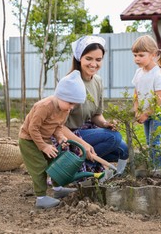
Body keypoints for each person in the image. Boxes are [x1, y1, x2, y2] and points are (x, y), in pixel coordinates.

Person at [60, 35, 129, 174]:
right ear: (79, 58)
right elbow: (58, 126)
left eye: (98, 60)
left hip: (85, 130)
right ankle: (72, 165)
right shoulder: (70, 82)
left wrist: (105, 124)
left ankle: (84, 163)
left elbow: (96, 115)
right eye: (89, 59)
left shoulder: (97, 81)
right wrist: (83, 144)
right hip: (66, 135)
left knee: (124, 151)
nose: (94, 64)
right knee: (113, 138)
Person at [18, 70, 86, 209]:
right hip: (29, 140)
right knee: (40, 168)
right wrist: (43, 147)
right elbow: (33, 129)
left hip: (45, 139)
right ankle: (41, 198)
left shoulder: (65, 110)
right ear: (60, 95)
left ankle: (58, 189)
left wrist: (60, 137)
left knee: (54, 162)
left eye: (74, 105)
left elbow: (58, 126)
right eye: (70, 103)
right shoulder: (44, 106)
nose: (71, 108)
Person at [131, 35, 161, 169]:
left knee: (155, 142)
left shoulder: (158, 74)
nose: (137, 58)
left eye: (141, 55)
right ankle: (152, 166)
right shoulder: (138, 73)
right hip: (144, 113)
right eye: (135, 55)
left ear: (153, 55)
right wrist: (137, 110)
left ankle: (159, 169)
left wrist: (146, 114)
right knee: (149, 142)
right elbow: (136, 93)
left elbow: (159, 99)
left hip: (157, 113)